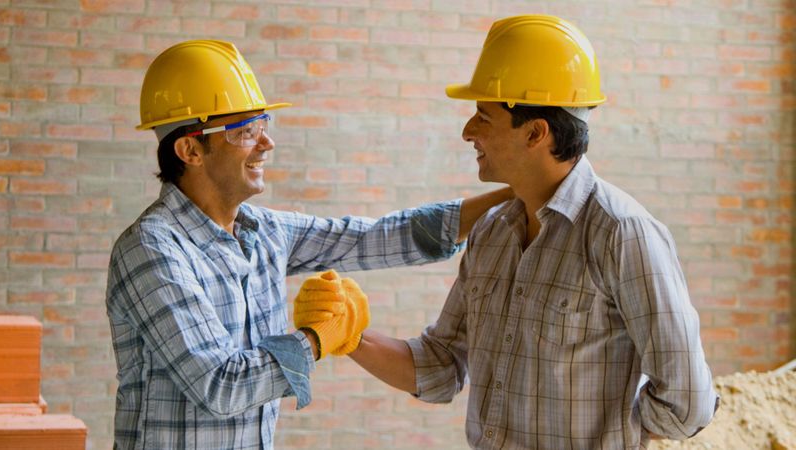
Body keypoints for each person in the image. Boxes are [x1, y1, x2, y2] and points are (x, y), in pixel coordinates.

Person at [294, 15, 720, 449]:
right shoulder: (492, 233)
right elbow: (440, 368)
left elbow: (687, 402)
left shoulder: (622, 234)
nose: (467, 132)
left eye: (483, 117)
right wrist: (350, 336)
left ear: (535, 132)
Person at [105, 39, 512, 449]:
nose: (266, 144)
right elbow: (220, 385)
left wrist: (515, 194)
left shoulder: (263, 233)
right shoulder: (153, 250)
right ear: (190, 149)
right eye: (246, 131)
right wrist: (318, 338)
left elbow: (376, 237)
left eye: (264, 125)